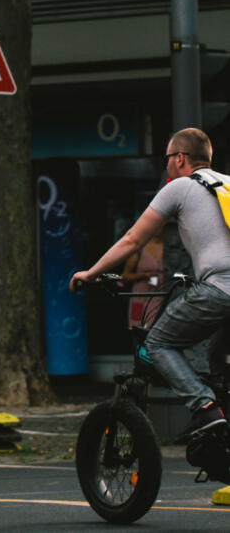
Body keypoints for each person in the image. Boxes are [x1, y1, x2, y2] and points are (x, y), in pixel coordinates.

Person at [70, 128, 230, 436]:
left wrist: (90, 274)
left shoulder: (179, 186)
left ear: (180, 158)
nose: (166, 164)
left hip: (219, 290)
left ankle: (206, 409)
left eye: (168, 158)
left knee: (158, 342)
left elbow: (133, 239)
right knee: (212, 357)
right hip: (219, 293)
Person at [121, 232, 164, 328]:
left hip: (160, 295)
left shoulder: (169, 248)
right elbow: (125, 276)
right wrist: (142, 275)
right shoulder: (139, 248)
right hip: (141, 296)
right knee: (138, 326)